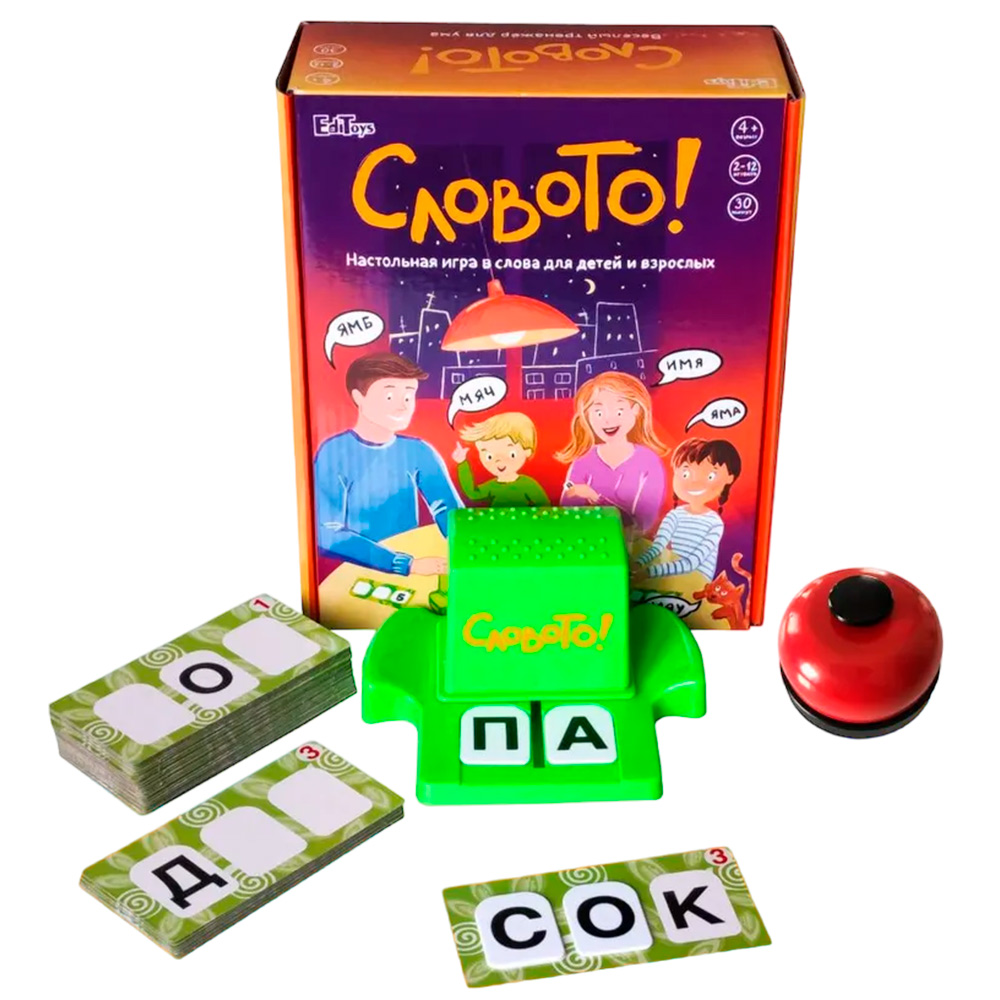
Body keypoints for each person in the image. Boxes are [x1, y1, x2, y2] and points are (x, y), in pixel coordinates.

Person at [313, 352, 461, 576]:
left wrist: (466, 551)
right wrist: (405, 564)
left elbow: (451, 512)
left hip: (415, 567)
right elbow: (327, 532)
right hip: (353, 571)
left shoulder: (419, 450)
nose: (402, 406)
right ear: (359, 397)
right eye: (390, 397)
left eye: (408, 397)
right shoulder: (333, 452)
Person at [555, 371, 668, 533]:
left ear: (635, 410)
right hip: (586, 537)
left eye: (619, 411)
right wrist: (573, 494)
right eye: (599, 413)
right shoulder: (583, 459)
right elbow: (567, 514)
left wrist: (595, 498)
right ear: (588, 416)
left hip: (628, 543)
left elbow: (641, 524)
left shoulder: (649, 461)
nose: (607, 420)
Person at [633, 437, 742, 580]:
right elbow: (657, 547)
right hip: (672, 575)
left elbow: (692, 564)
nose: (695, 483)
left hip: (697, 582)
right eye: (685, 474)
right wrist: (638, 564)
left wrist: (648, 572)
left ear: (729, 478)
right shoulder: (674, 516)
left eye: (710, 476)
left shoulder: (715, 524)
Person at [451, 412, 550, 507]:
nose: (499, 461)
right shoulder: (492, 486)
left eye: (512, 454)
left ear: (527, 451)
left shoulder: (527, 484)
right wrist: (462, 463)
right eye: (489, 456)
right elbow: (473, 494)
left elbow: (545, 506)